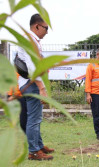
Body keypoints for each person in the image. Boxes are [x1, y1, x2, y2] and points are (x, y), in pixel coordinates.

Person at [18, 14, 54, 161]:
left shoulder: (32, 40)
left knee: (35, 118)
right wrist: (42, 88)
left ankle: (38, 146)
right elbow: (33, 68)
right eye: (46, 28)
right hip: (31, 85)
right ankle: (33, 152)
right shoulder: (29, 41)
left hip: (29, 84)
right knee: (34, 119)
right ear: (36, 26)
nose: (47, 31)